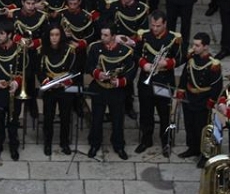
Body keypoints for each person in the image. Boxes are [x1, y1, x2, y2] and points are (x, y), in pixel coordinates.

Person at [135, 10, 182, 157]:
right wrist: (143, 64)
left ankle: (166, 141)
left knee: (164, 113)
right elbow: (135, 53)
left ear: (165, 24)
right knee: (145, 112)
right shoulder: (144, 36)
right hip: (146, 80)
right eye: (153, 25)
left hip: (164, 81)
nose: (155, 29)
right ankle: (146, 139)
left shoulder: (173, 38)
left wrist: (167, 63)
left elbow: (181, 57)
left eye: (158, 26)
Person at [86, 23, 135, 160]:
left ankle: (119, 145)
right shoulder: (95, 48)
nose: (102, 37)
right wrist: (98, 74)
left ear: (113, 36)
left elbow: (131, 70)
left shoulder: (125, 51)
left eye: (106, 35)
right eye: (102, 34)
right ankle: (95, 144)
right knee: (96, 119)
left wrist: (120, 82)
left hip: (116, 90)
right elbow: (89, 65)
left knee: (118, 119)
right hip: (99, 88)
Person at [176, 33, 222, 167]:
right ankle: (192, 148)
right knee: (189, 125)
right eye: (193, 45)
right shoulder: (191, 59)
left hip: (202, 100)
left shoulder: (213, 65)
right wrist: (181, 91)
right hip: (189, 97)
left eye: (197, 45)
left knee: (201, 128)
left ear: (206, 47)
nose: (194, 48)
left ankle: (204, 154)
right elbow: (185, 75)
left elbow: (216, 85)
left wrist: (211, 101)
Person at [0, 20, 24, 161]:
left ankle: (13, 145)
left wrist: (16, 82)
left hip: (14, 91)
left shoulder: (19, 49)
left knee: (13, 121)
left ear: (10, 34)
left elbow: (24, 70)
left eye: (2, 34)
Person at [37, 23, 76, 156]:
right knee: (48, 117)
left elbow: (74, 70)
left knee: (65, 117)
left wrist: (64, 82)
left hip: (65, 88)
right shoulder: (41, 50)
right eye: (52, 35)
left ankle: (64, 142)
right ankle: (47, 143)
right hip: (50, 88)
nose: (54, 38)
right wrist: (48, 82)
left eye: (57, 35)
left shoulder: (69, 50)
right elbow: (39, 71)